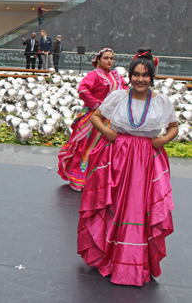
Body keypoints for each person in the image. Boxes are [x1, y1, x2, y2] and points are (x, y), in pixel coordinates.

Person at [78, 48, 176, 286]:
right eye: (136, 74)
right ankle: (108, 256)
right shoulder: (119, 96)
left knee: (140, 209)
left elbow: (174, 127)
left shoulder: (162, 102)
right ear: (129, 75)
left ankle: (136, 260)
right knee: (116, 205)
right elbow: (95, 116)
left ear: (152, 77)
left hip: (147, 161)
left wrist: (162, 141)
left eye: (145, 75)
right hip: (118, 159)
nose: (140, 79)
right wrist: (109, 133)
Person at [57, 48, 127, 191]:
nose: (109, 61)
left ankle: (101, 182)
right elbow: (83, 89)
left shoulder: (117, 76)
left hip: (112, 119)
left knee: (107, 150)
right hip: (93, 118)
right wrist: (97, 105)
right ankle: (79, 180)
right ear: (99, 60)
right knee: (87, 148)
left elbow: (125, 91)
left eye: (111, 58)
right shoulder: (95, 75)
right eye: (106, 58)